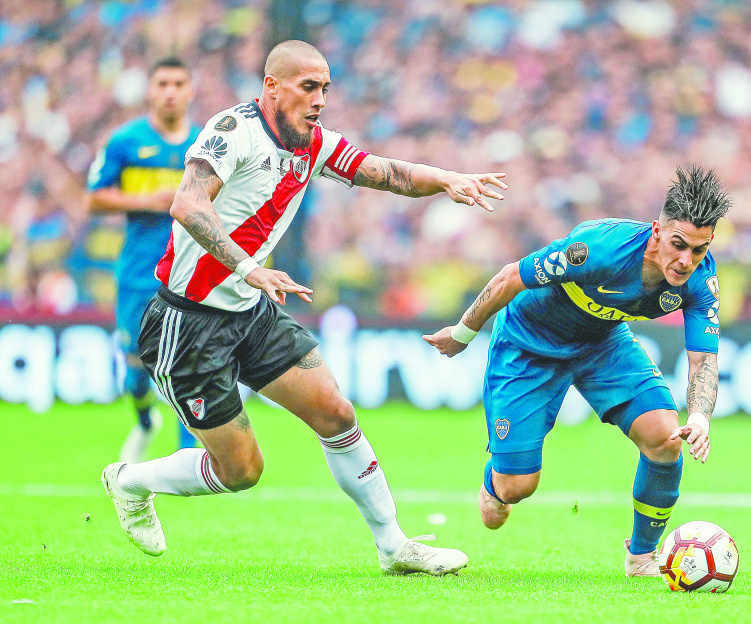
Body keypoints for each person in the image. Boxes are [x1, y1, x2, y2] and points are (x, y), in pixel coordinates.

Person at [100, 40, 508, 576]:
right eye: (308, 87)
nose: (320, 100)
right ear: (272, 86)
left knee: (336, 412)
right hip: (189, 319)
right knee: (242, 471)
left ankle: (394, 547)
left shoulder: (312, 144)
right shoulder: (232, 131)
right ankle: (130, 481)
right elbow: (188, 204)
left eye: (325, 89)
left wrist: (447, 179)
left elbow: (388, 174)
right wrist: (249, 267)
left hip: (250, 309)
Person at [424, 165, 729, 577]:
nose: (686, 260)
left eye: (699, 249)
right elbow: (512, 276)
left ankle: (641, 557)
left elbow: (704, 360)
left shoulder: (700, 280)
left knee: (666, 438)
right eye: (679, 244)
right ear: (657, 231)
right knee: (516, 489)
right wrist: (463, 333)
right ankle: (497, 480)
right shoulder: (599, 248)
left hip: (602, 343)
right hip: (528, 344)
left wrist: (699, 417)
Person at [87, 57, 200, 462]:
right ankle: (145, 419)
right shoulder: (125, 141)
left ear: (190, 90)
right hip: (138, 271)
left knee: (188, 356)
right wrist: (146, 200)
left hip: (189, 270)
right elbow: (94, 197)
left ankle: (187, 452)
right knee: (136, 361)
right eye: (163, 84)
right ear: (150, 91)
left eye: (178, 83)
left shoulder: (207, 144)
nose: (170, 92)